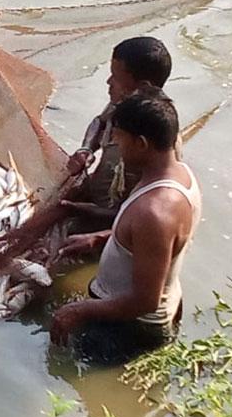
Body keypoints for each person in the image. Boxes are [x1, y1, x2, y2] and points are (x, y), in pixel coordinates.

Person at [50, 93, 201, 364]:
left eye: (119, 139)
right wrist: (100, 238)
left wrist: (78, 310)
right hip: (142, 312)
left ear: (141, 143)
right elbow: (156, 247)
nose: (116, 146)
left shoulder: (154, 212)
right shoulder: (182, 175)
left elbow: (145, 302)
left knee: (82, 387)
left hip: (129, 329)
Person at [63, 37, 173, 226]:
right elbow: (100, 122)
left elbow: (141, 216)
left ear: (142, 86)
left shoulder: (156, 138)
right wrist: (86, 150)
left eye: (116, 76)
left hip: (113, 223)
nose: (108, 81)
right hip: (93, 201)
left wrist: (77, 210)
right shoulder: (122, 104)